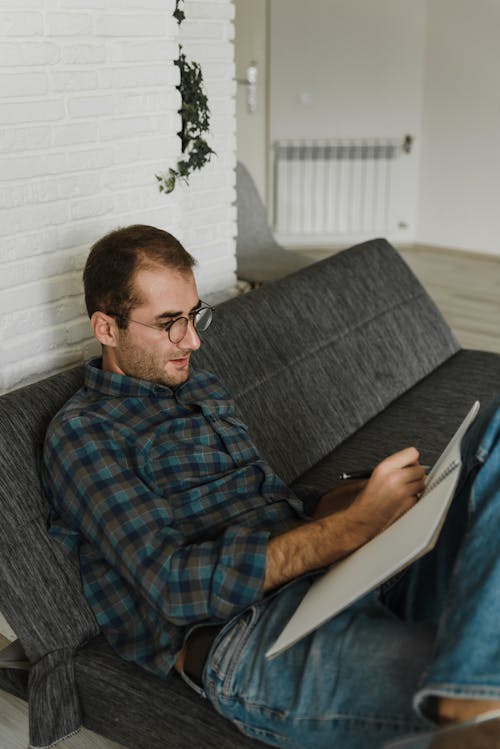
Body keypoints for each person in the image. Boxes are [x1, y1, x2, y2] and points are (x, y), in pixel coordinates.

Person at [42, 225, 500, 749]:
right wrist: (351, 528)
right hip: (250, 637)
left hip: (338, 577)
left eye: (194, 316)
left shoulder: (201, 387)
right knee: (477, 684)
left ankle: (471, 693)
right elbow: (172, 585)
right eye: (170, 324)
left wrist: (358, 502)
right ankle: (470, 709)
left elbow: (270, 502)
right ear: (106, 327)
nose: (193, 340)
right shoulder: (85, 434)